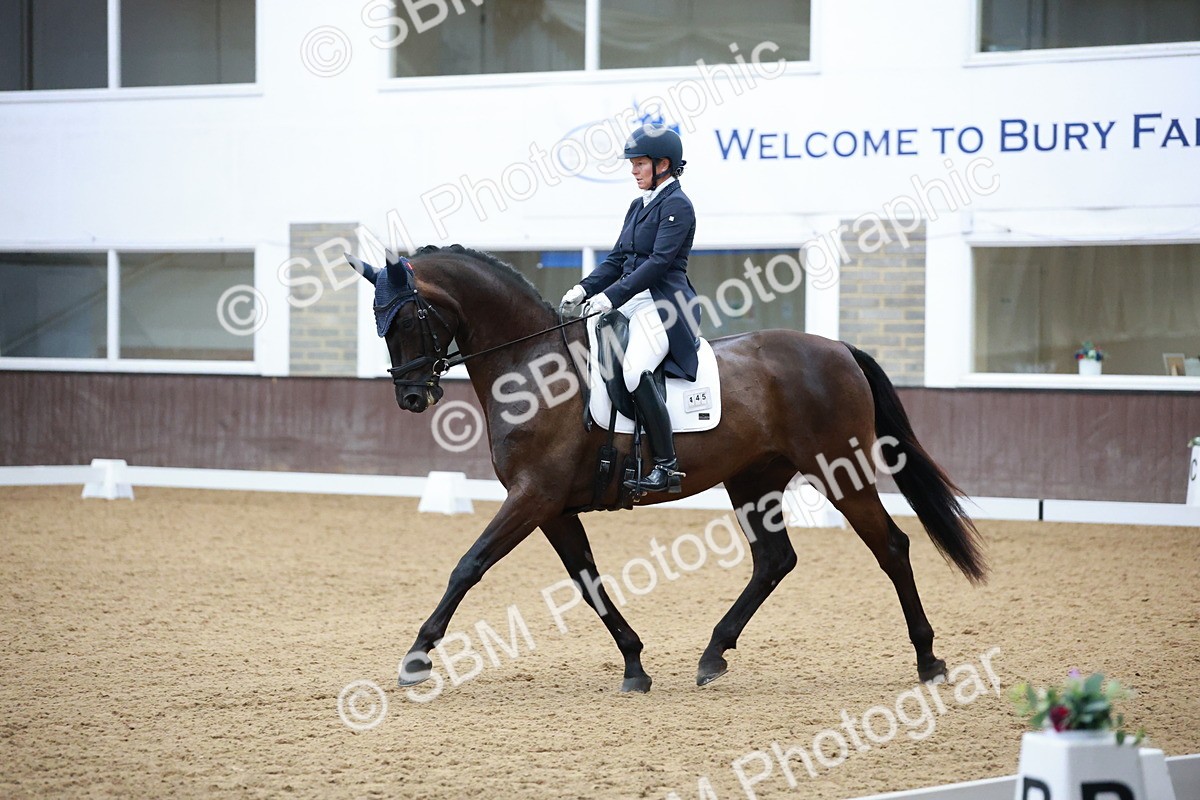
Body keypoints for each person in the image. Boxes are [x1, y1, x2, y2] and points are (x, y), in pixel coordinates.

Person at [560, 123, 701, 494]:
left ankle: (667, 466)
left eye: (639, 163)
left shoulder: (678, 205)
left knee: (636, 369)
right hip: (633, 299)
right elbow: (617, 259)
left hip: (664, 304)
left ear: (663, 164)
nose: (634, 170)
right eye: (633, 164)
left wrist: (611, 297)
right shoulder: (638, 206)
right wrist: (584, 288)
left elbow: (658, 263)